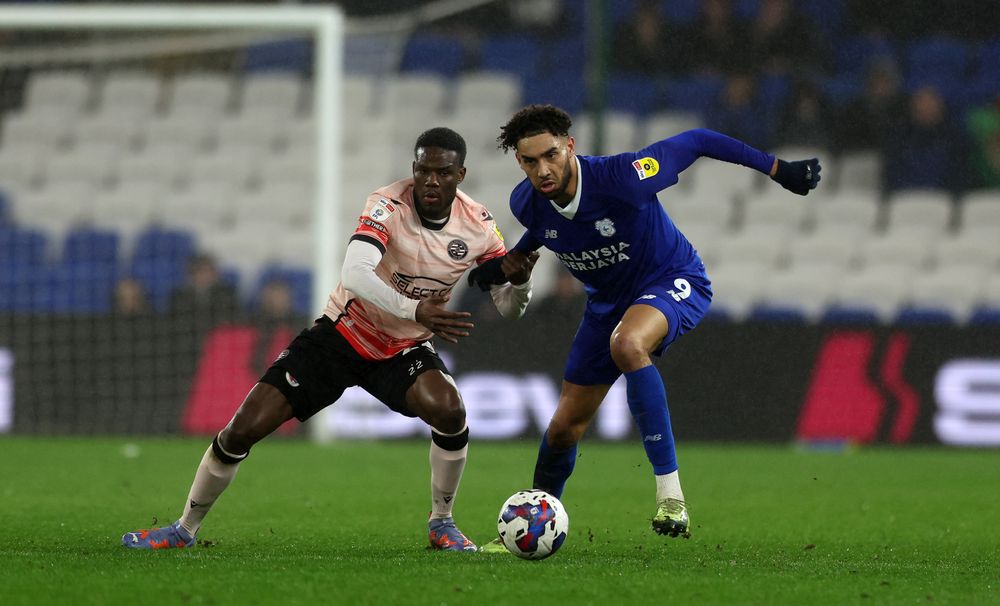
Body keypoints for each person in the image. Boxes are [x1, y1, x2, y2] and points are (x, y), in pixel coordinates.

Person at [122, 127, 538, 552]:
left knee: (450, 412)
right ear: (414, 170)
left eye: (443, 172)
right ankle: (183, 528)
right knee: (242, 430)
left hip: (401, 349)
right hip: (341, 334)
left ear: (460, 174)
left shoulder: (479, 228)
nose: (432, 181)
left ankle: (442, 522)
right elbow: (354, 275)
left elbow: (510, 307)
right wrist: (416, 310)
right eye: (423, 170)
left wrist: (520, 282)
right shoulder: (386, 204)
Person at [469, 105, 820, 548]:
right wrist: (509, 264)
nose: (543, 169)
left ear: (570, 147)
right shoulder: (526, 203)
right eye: (531, 161)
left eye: (551, 155)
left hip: (673, 279)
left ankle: (671, 496)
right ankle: (528, 529)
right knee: (563, 428)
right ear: (519, 162)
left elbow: (697, 140)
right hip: (605, 306)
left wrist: (777, 168)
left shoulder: (624, 176)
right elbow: (548, 230)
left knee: (628, 343)